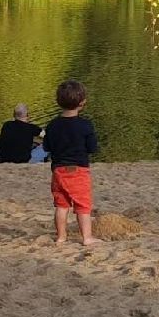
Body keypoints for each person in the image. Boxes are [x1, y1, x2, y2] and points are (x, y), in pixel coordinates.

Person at [44, 80, 100, 245]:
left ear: (58, 101)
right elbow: (92, 148)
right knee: (83, 205)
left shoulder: (52, 125)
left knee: (61, 205)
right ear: (82, 102)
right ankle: (87, 238)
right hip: (78, 170)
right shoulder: (85, 125)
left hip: (58, 171)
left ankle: (61, 236)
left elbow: (47, 146)